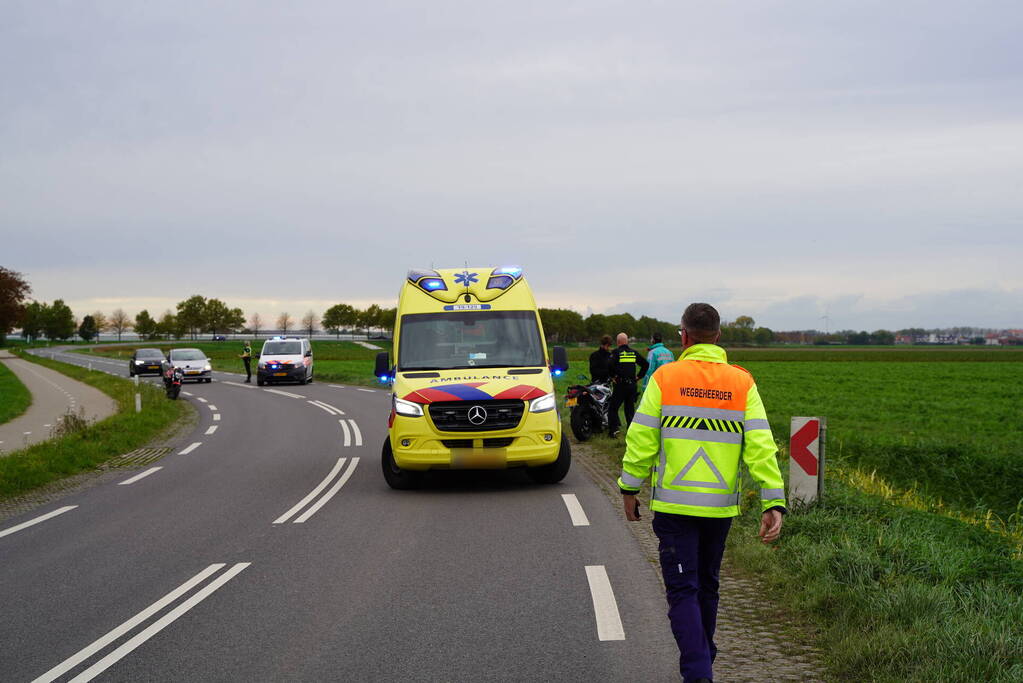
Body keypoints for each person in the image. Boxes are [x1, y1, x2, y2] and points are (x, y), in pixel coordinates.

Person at [617, 303, 786, 683]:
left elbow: (641, 438)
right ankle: (704, 658)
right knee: (707, 588)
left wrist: (629, 486)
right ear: (718, 336)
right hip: (719, 510)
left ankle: (698, 673)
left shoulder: (665, 378)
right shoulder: (742, 382)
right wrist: (773, 500)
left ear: (684, 336)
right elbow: (761, 446)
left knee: (683, 591)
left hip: (675, 507)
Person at [607, 332, 649, 437]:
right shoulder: (633, 353)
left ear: (618, 342)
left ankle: (614, 430)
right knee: (629, 409)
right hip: (632, 385)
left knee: (613, 408)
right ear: (627, 342)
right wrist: (638, 376)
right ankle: (631, 432)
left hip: (621, 385)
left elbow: (609, 365)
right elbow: (645, 364)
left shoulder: (616, 353)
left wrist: (613, 376)